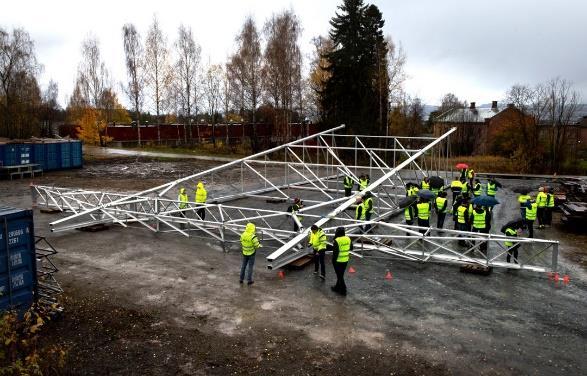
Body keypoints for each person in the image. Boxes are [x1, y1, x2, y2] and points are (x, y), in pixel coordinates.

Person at [331, 227, 352, 296]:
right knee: (340, 275)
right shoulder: (348, 238)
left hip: (338, 261)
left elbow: (335, 253)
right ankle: (337, 287)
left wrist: (333, 261)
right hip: (345, 260)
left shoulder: (337, 240)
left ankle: (343, 290)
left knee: (339, 276)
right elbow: (351, 248)